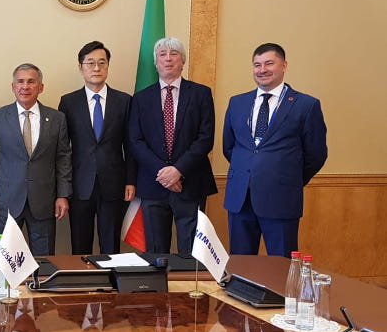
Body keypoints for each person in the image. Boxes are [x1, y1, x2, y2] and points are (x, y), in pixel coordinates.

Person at [223, 43, 327, 257]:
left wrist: (289, 178)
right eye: (257, 65)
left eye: (269, 63)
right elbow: (229, 146)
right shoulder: (237, 102)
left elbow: (316, 154)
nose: (262, 70)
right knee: (240, 266)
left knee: (281, 266)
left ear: (284, 65)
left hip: (282, 199)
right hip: (240, 199)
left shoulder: (306, 105)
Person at [129, 37, 217, 254]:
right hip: (153, 184)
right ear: (155, 62)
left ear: (182, 61)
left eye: (174, 54)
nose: (168, 58)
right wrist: (164, 172)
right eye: (162, 54)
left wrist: (178, 170)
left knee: (191, 253)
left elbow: (205, 138)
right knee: (156, 253)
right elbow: (135, 141)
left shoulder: (201, 93)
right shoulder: (140, 98)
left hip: (191, 182)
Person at [0, 63, 72, 256]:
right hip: (6, 201)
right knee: (6, 261)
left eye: (31, 82)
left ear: (41, 87)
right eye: (20, 82)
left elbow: (63, 159)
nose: (25, 86)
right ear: (13, 87)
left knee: (43, 260)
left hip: (44, 201)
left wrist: (63, 195)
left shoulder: (57, 118)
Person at [58, 41, 136, 254]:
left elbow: (130, 145)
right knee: (80, 247)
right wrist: (63, 188)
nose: (96, 68)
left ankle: (110, 277)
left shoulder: (124, 101)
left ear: (108, 66)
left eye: (102, 63)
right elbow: (62, 149)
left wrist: (130, 180)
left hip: (114, 185)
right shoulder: (68, 102)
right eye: (90, 63)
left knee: (111, 247)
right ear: (80, 67)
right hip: (79, 185)